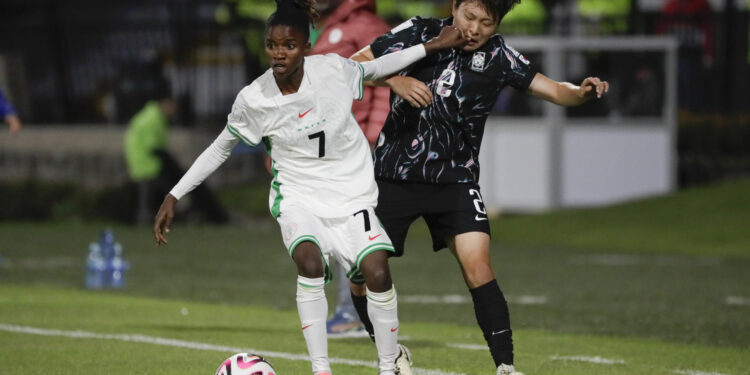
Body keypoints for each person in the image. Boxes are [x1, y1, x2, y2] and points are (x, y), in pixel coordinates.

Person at [152, 0, 470, 374]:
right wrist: (175, 193)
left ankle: (389, 366)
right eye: (272, 44)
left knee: (378, 271)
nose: (278, 53)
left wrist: (433, 46)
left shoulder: (332, 69)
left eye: (289, 45)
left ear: (306, 47)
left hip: (350, 194)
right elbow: (220, 147)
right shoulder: (254, 99)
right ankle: (321, 370)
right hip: (299, 197)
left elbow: (376, 68)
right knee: (309, 263)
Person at [348, 1, 610, 374]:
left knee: (479, 267)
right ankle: (390, 352)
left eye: (486, 23)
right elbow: (353, 65)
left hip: (456, 179)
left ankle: (505, 366)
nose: (474, 29)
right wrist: (394, 79)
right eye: (469, 17)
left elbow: (555, 91)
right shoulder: (418, 32)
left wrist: (581, 91)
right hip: (393, 176)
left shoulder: (499, 55)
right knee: (361, 273)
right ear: (454, 7)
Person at [310, 0, 392, 337]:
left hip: (356, 149)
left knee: (351, 229)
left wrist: (373, 138)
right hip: (331, 148)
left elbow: (387, 83)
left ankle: (354, 311)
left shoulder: (365, 25)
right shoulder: (330, 26)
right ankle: (354, 310)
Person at [124, 82, 227, 225]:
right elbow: (154, 149)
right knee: (172, 192)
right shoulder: (153, 119)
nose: (175, 109)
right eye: (173, 104)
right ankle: (181, 218)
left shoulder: (152, 115)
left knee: (151, 199)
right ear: (165, 103)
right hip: (147, 166)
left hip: (144, 165)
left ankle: (157, 221)